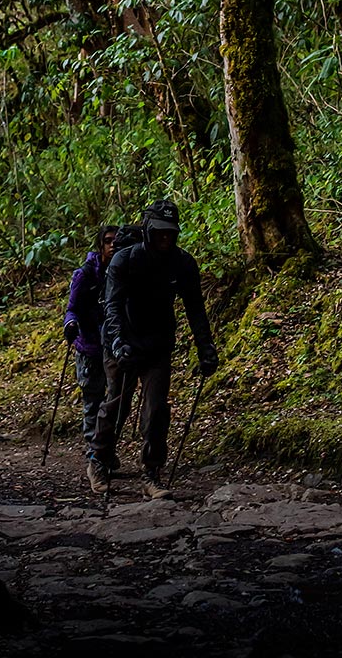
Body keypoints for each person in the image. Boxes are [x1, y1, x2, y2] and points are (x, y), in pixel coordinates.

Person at [86, 199, 219, 500]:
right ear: (147, 230)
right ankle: (98, 460)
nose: (165, 238)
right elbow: (113, 307)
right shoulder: (124, 261)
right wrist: (118, 342)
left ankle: (151, 473)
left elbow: (195, 309)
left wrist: (205, 346)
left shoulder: (183, 264)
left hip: (158, 344)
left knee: (157, 408)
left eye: (170, 233)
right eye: (159, 232)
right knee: (117, 402)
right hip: (122, 340)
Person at [62, 224, 118, 459]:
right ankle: (94, 450)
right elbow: (71, 309)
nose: (113, 245)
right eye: (108, 241)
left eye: (116, 240)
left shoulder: (123, 271)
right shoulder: (84, 275)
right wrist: (71, 325)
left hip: (114, 346)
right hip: (90, 347)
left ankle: (105, 448)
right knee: (93, 401)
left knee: (113, 401)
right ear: (100, 245)